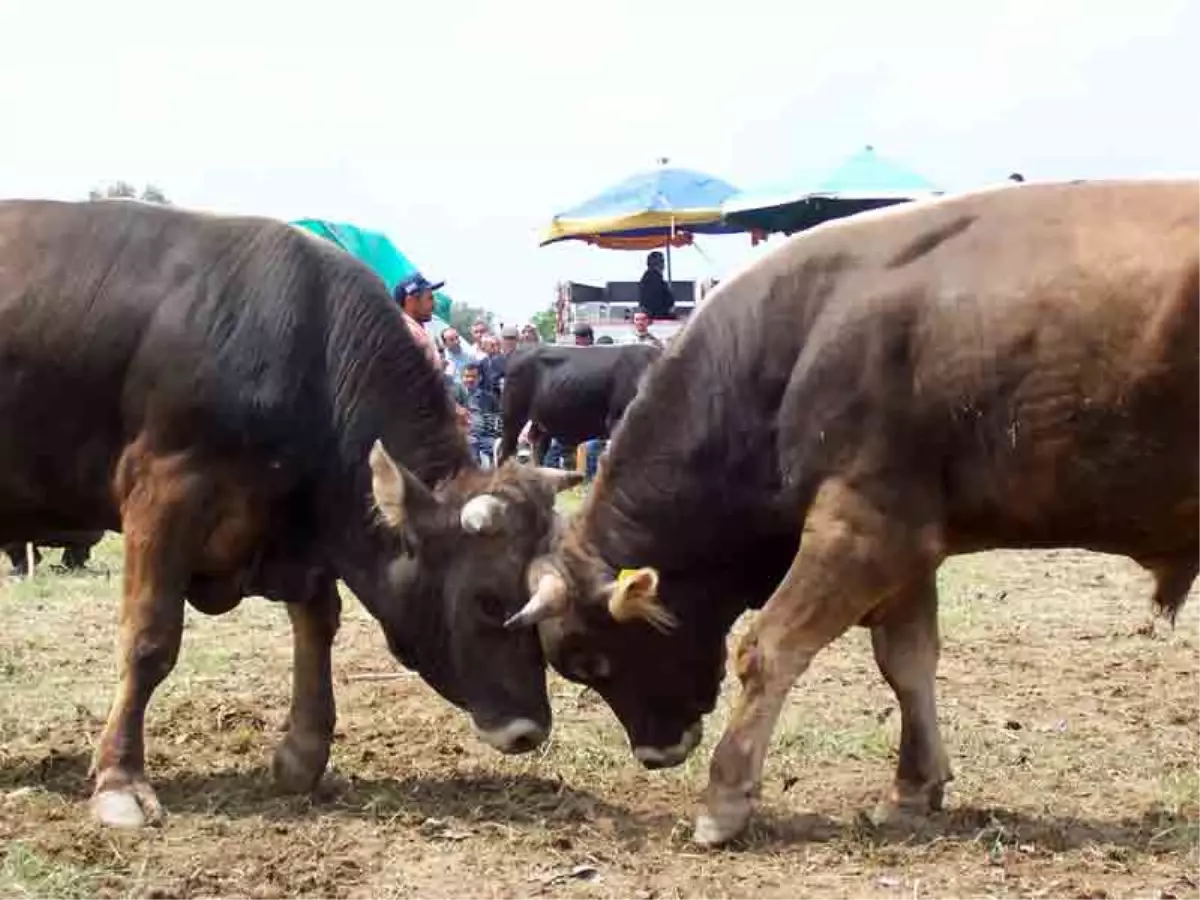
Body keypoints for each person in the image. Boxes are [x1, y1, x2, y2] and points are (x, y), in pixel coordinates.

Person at [394, 272, 443, 371]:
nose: (434, 304)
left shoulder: (416, 331)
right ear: (411, 301)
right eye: (430, 298)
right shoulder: (407, 334)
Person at [461, 363, 502, 467]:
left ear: (480, 378)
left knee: (499, 447)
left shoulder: (489, 398)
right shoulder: (454, 395)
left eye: (473, 377)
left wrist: (496, 436)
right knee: (471, 445)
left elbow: (498, 419)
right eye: (467, 376)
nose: (470, 380)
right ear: (462, 378)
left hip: (486, 437)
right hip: (464, 436)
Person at [637, 250, 676, 319]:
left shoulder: (648, 276)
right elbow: (656, 301)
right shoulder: (654, 278)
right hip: (657, 314)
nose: (664, 265)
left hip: (653, 313)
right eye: (662, 261)